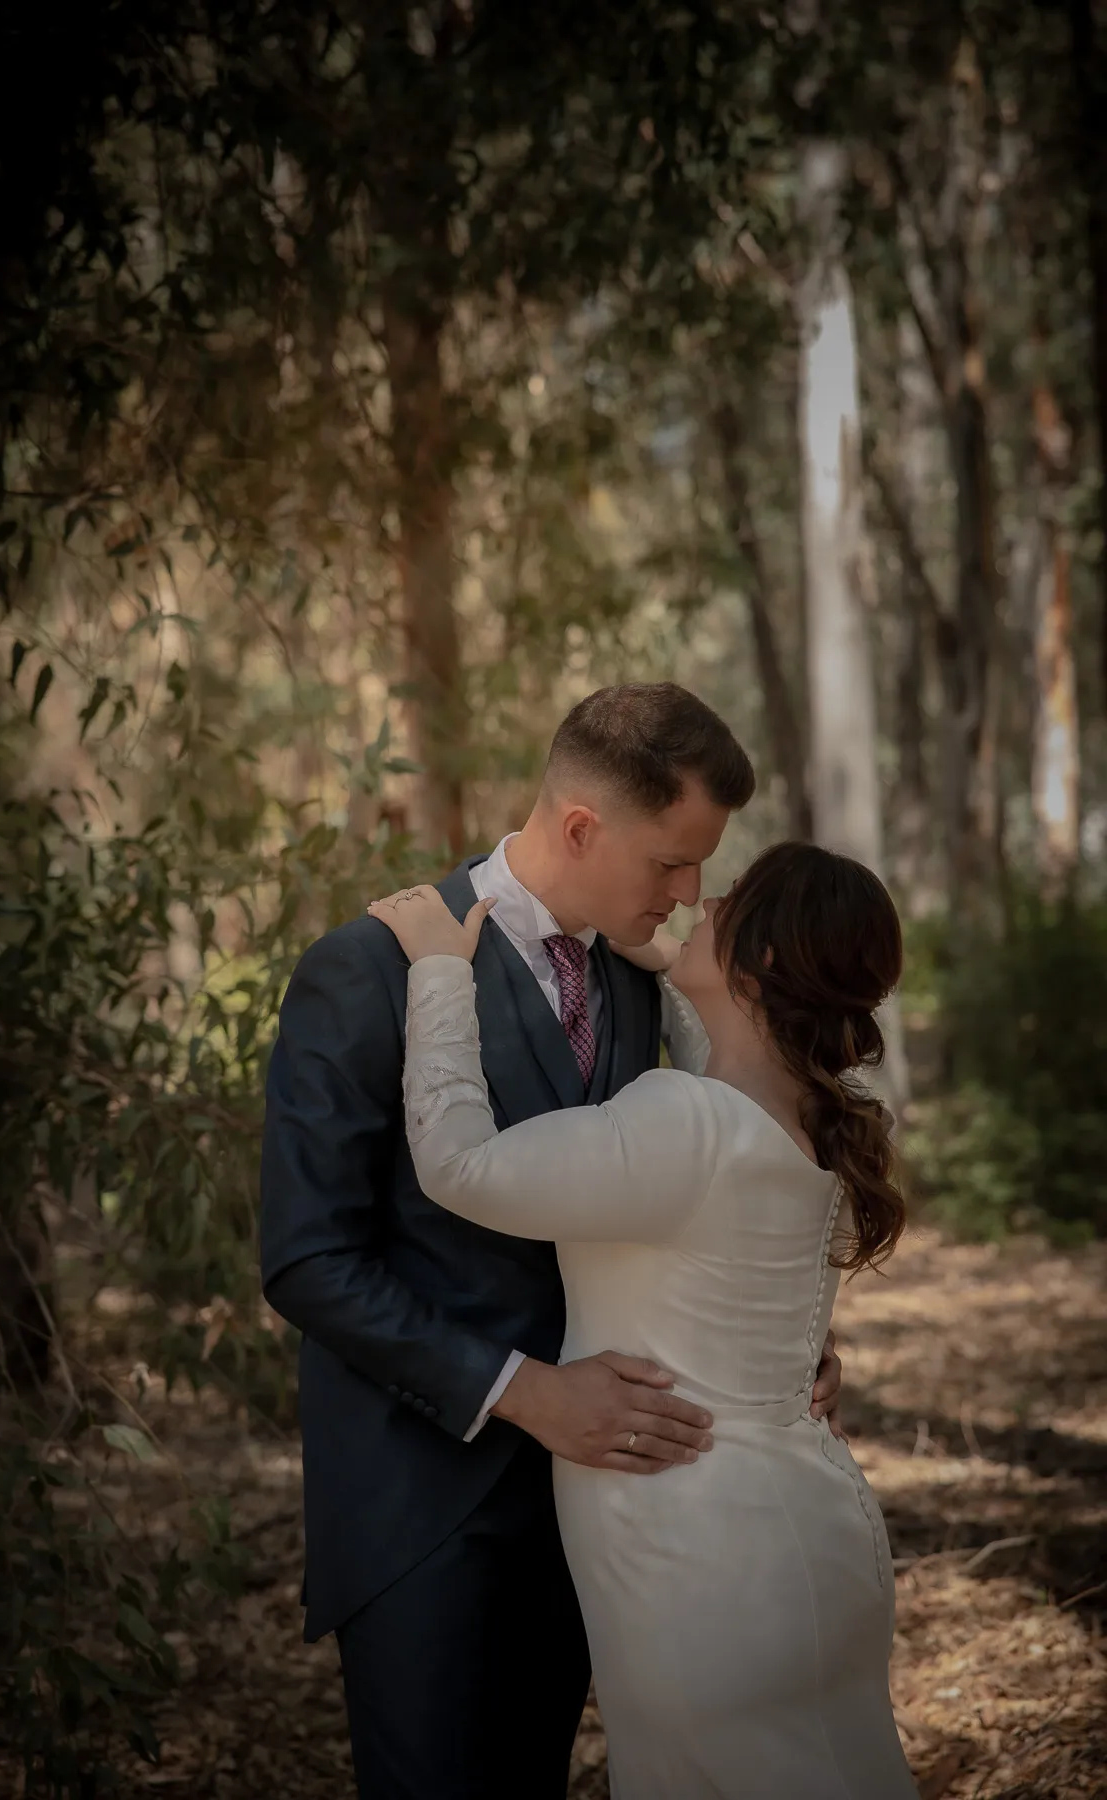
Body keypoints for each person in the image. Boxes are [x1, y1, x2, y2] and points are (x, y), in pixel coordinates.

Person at [260, 683, 843, 1799]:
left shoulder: (638, 974)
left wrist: (782, 1339)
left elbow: (702, 1178)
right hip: (425, 1500)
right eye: (672, 864)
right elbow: (307, 1258)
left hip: (608, 1503)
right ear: (582, 825)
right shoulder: (371, 968)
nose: (691, 894)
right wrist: (523, 1390)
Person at [368, 840, 918, 1800]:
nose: (699, 903)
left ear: (767, 964)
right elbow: (727, 1102)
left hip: (698, 1547)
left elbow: (460, 1165)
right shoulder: (814, 1118)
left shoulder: (685, 1122)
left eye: (729, 901)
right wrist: (684, 983)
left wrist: (442, 971)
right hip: (818, 1525)